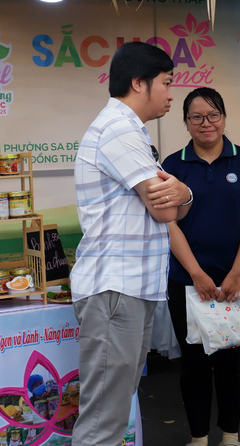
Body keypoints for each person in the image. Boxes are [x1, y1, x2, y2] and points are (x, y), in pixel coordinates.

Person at [71, 41, 194, 445]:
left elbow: (176, 203)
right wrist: (182, 194)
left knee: (114, 410)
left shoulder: (131, 132)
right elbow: (164, 210)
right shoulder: (118, 129)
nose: (171, 93)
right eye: (166, 83)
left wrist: (184, 194)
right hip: (115, 288)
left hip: (129, 288)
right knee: (104, 419)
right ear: (139, 83)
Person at [162, 87, 240, 446]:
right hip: (186, 281)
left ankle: (230, 435)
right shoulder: (172, 166)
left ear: (224, 118)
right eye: (196, 117)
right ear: (185, 122)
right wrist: (196, 274)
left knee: (232, 363)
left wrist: (237, 272)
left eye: (213, 115)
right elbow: (168, 224)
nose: (205, 124)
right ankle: (198, 438)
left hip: (234, 282)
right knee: (193, 364)